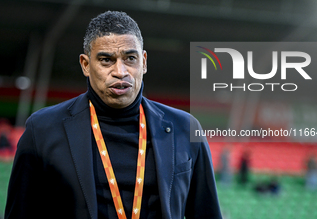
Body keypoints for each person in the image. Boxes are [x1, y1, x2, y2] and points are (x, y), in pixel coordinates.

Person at [5, 11, 222, 219]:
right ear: (86, 65)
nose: (120, 71)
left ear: (144, 62)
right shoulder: (42, 130)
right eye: (106, 60)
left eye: (130, 58)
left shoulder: (184, 128)